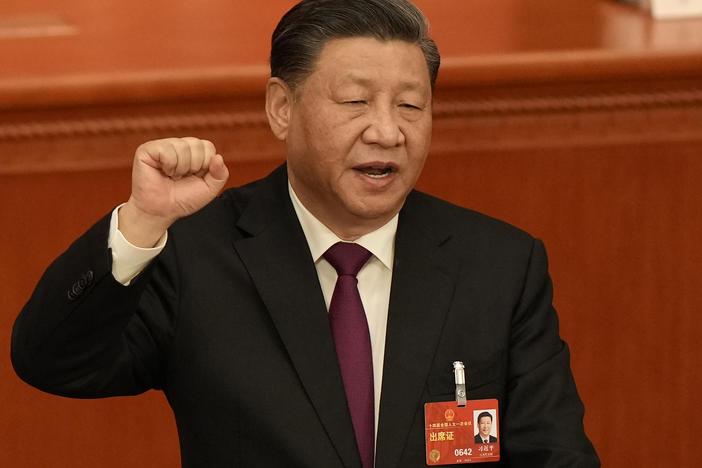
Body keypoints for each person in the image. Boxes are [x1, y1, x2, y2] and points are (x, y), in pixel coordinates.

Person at [11, 0, 600, 467]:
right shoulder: (199, 254)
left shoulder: (498, 264)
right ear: (281, 109)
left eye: (412, 106)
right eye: (355, 101)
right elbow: (53, 363)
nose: (388, 131)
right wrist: (141, 223)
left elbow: (554, 452)